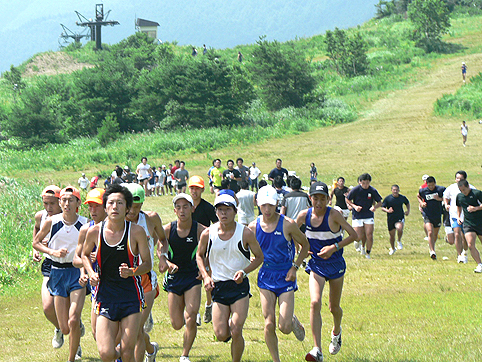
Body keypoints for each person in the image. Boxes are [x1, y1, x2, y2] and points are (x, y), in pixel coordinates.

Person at [82, 184, 152, 362]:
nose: (115, 207)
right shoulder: (95, 232)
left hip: (130, 297)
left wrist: (132, 272)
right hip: (105, 297)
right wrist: (90, 272)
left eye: (120, 203)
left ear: (127, 208)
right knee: (106, 353)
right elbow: (83, 255)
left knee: (128, 352)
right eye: (111, 203)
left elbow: (148, 264)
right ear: (105, 207)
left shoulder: (136, 232)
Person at [196, 194, 264, 362]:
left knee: (236, 329)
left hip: (239, 286)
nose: (223, 213)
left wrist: (245, 272)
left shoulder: (245, 233)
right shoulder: (208, 233)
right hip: (218, 287)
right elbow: (199, 255)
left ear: (235, 211)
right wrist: (205, 276)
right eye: (220, 210)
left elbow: (260, 257)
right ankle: (230, 338)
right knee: (220, 334)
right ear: (216, 212)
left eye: (227, 210)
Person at [296, 182, 357, 362]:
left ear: (328, 199)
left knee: (333, 307)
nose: (319, 202)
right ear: (310, 199)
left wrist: (334, 247)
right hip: (316, 265)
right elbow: (290, 231)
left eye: (323, 198)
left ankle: (336, 332)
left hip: (335, 263)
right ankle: (317, 349)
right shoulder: (303, 216)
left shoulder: (334, 215)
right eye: (315, 198)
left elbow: (354, 235)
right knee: (315, 302)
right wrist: (302, 246)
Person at [249, 186, 309, 362]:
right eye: (263, 205)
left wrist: (295, 267)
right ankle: (276, 360)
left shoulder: (288, 224)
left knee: (284, 327)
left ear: (276, 203)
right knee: (268, 323)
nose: (267, 210)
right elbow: (247, 250)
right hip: (266, 276)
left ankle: (292, 320)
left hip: (285, 275)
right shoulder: (253, 226)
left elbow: (305, 245)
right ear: (258, 204)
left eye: (270, 205)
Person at [33, 186, 88, 362]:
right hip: (56, 272)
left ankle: (71, 358)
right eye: (63, 200)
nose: (66, 204)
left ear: (78, 202)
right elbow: (36, 243)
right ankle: (72, 329)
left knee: (73, 319)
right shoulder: (52, 222)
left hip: (75, 273)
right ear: (60, 202)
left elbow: (92, 246)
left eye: (71, 200)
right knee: (65, 327)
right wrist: (52, 252)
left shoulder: (85, 224)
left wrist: (89, 260)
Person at [160, 193, 206, 362]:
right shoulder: (168, 229)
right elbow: (160, 249)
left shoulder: (200, 230)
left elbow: (206, 253)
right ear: (174, 210)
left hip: (193, 276)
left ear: (192, 208)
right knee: (177, 323)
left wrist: (205, 270)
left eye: (185, 206)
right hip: (174, 277)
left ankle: (184, 355)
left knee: (191, 316)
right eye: (178, 207)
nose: (182, 210)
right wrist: (165, 262)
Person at [123, 183, 166, 362]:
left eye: (137, 206)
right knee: (127, 329)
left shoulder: (151, 219)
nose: (133, 211)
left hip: (145, 277)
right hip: (123, 278)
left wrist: (162, 256)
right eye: (130, 206)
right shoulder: (116, 221)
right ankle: (151, 349)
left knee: (136, 329)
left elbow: (163, 239)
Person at [72, 188, 106, 340]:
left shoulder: (118, 227)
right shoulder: (86, 229)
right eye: (90, 206)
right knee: (97, 333)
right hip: (96, 284)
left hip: (117, 282)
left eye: (96, 205)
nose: (92, 210)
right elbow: (76, 260)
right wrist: (85, 271)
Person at [32, 185, 63, 349]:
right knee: (47, 307)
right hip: (49, 264)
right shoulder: (41, 216)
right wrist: (35, 249)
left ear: (60, 201)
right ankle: (59, 328)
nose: (49, 208)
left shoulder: (69, 217)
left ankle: (75, 342)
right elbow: (37, 229)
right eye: (45, 203)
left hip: (69, 266)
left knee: (69, 312)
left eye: (52, 203)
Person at [188, 176, 218, 324]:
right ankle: (194, 312)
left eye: (197, 188)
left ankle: (209, 304)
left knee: (206, 276)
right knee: (191, 281)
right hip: (186, 247)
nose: (194, 191)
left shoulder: (207, 207)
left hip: (204, 247)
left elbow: (217, 225)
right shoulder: (185, 206)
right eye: (192, 188)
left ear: (203, 189)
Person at [345, 173, 382, 259]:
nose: (365, 185)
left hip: (368, 215)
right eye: (364, 183)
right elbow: (347, 199)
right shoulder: (355, 190)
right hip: (357, 215)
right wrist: (354, 206)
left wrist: (374, 207)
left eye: (367, 183)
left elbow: (379, 202)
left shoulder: (372, 190)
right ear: (360, 182)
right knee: (359, 236)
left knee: (369, 234)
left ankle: (368, 252)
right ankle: (357, 242)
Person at [443, 170, 472, 263]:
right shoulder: (451, 188)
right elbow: (445, 196)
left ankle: (465, 253)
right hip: (454, 215)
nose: (458, 180)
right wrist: (446, 204)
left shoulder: (470, 188)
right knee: (457, 233)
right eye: (457, 178)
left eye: (461, 178)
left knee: (465, 236)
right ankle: (459, 255)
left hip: (466, 216)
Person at [456, 179, 482, 273]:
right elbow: (459, 206)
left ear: (468, 187)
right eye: (461, 191)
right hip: (468, 223)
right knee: (470, 244)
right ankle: (480, 265)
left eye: (464, 190)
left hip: (480, 222)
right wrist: (459, 216)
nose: (463, 192)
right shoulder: (459, 196)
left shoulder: (477, 193)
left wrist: (476, 208)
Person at [417, 176, 445, 260]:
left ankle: (432, 246)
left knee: (435, 234)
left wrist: (439, 199)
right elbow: (418, 196)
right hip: (427, 214)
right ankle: (432, 251)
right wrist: (422, 203)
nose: (431, 187)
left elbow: (447, 198)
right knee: (430, 232)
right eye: (429, 185)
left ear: (435, 184)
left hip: (437, 214)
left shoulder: (441, 189)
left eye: (432, 185)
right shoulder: (423, 190)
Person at [381, 185, 410, 255]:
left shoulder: (402, 198)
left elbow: (407, 203)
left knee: (399, 228)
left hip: (399, 217)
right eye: (394, 190)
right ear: (391, 190)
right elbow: (382, 207)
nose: (395, 191)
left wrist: (408, 211)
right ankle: (393, 248)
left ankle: (399, 241)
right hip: (391, 218)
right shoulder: (388, 198)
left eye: (397, 190)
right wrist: (388, 210)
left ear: (399, 190)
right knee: (392, 235)